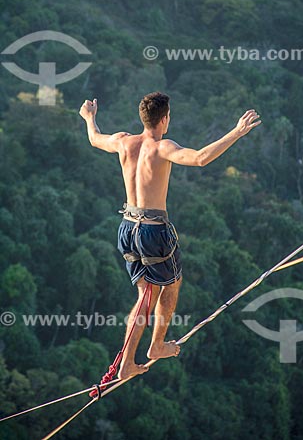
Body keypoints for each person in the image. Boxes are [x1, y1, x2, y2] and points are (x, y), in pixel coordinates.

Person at [79, 92, 261, 382]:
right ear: (164, 119)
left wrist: (89, 117)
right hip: (153, 230)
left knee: (151, 291)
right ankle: (148, 350)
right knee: (162, 291)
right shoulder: (162, 147)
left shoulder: (124, 141)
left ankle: (144, 351)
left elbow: (94, 138)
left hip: (127, 226)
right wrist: (237, 132)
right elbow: (200, 158)